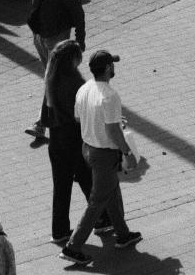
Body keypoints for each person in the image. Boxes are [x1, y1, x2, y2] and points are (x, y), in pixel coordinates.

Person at [62, 50, 142, 259]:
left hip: (87, 149)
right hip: (103, 154)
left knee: (111, 191)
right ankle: (73, 247)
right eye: (112, 65)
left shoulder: (85, 88)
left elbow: (79, 118)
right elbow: (113, 131)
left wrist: (110, 120)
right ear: (107, 69)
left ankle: (123, 234)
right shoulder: (110, 95)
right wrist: (127, 152)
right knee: (97, 200)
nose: (114, 67)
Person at [24, 0, 85, 146]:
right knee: (57, 80)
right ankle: (85, 110)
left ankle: (41, 124)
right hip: (40, 38)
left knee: (52, 79)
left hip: (58, 39)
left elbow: (77, 11)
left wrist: (80, 37)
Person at [42, 41, 92, 247]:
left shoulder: (51, 80)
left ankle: (60, 230)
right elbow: (83, 114)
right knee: (88, 180)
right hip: (73, 137)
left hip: (56, 140)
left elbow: (45, 116)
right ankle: (103, 218)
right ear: (72, 59)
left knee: (61, 186)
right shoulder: (74, 83)